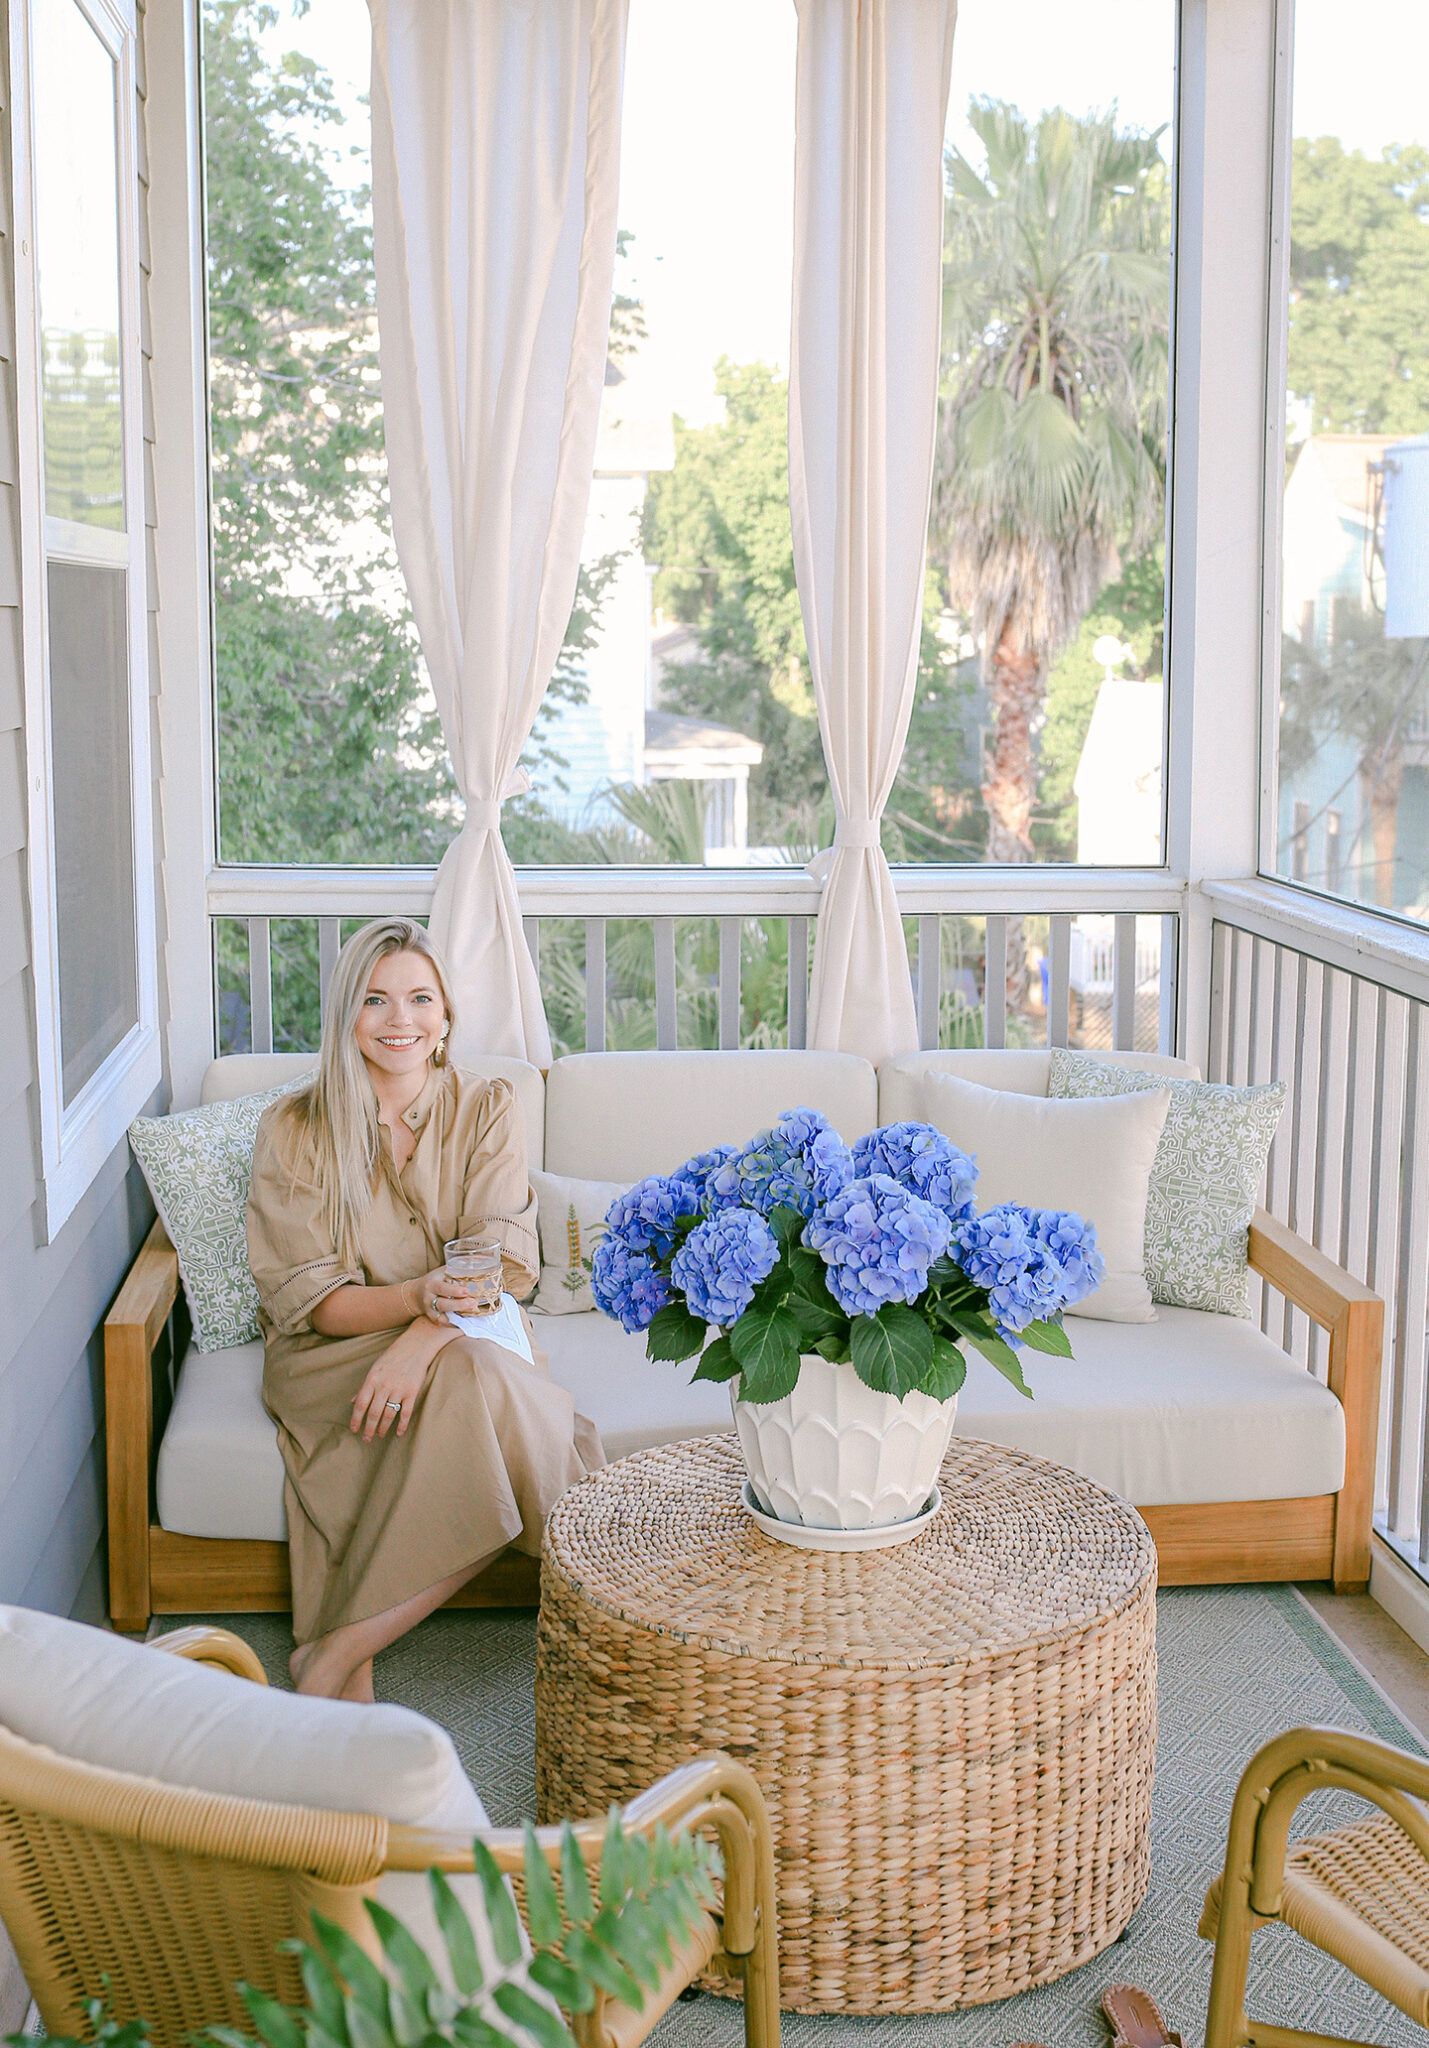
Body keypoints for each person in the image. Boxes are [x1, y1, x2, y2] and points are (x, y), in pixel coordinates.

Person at [245, 917, 602, 1701]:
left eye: (418, 999)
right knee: (497, 1397)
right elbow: (314, 1302)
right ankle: (611, 1586)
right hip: (331, 1354)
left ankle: (335, 1655)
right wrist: (414, 1306)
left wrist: (419, 1341)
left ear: (444, 1018)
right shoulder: (295, 1128)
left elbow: (496, 1262)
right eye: (375, 1000)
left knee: (476, 1374)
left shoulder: (487, 1108)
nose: (399, 1020)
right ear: (347, 1016)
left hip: (466, 1331)